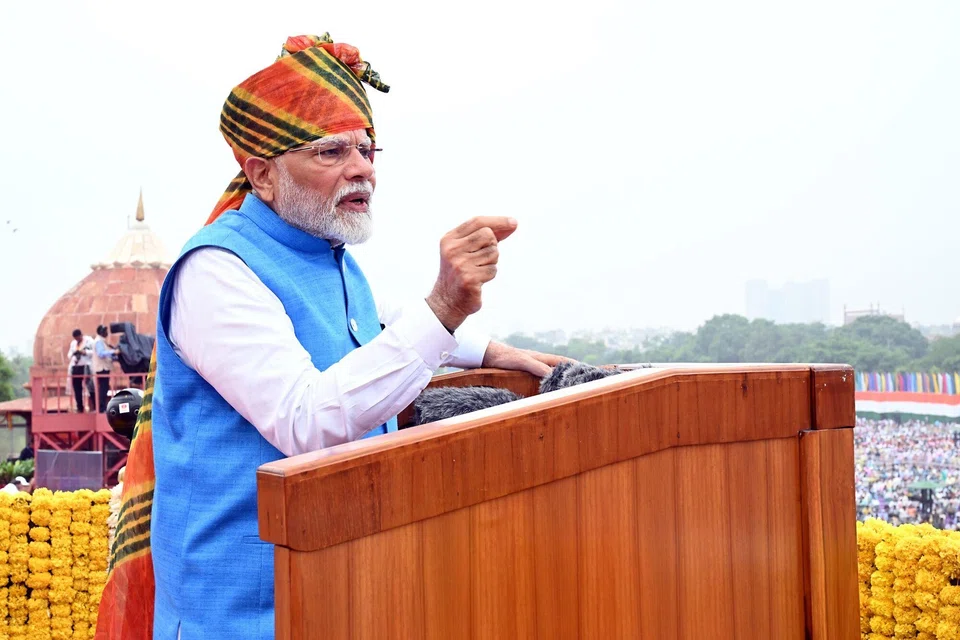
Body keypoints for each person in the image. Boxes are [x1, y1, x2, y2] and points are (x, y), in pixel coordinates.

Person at [101, 34, 564, 640]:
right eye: (331, 152)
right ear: (261, 173)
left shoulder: (328, 255)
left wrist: (482, 349)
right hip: (242, 616)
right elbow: (306, 419)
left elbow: (366, 326)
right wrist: (445, 306)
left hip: (341, 594)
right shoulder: (216, 272)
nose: (362, 169)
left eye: (368, 150)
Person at [66, 329, 94, 413]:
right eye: (76, 338)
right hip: (76, 366)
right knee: (77, 388)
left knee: (90, 387)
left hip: (86, 366)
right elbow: (69, 355)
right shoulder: (73, 343)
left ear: (81, 335)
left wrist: (84, 352)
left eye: (78, 338)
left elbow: (94, 352)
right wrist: (74, 353)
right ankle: (80, 407)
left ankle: (95, 406)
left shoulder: (89, 341)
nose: (77, 340)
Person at [93, 324, 119, 412]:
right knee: (103, 388)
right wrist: (114, 352)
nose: (107, 333)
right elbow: (101, 353)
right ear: (102, 333)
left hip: (104, 367)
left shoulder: (102, 341)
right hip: (102, 368)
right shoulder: (98, 342)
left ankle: (102, 407)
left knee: (104, 387)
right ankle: (101, 408)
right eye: (105, 331)